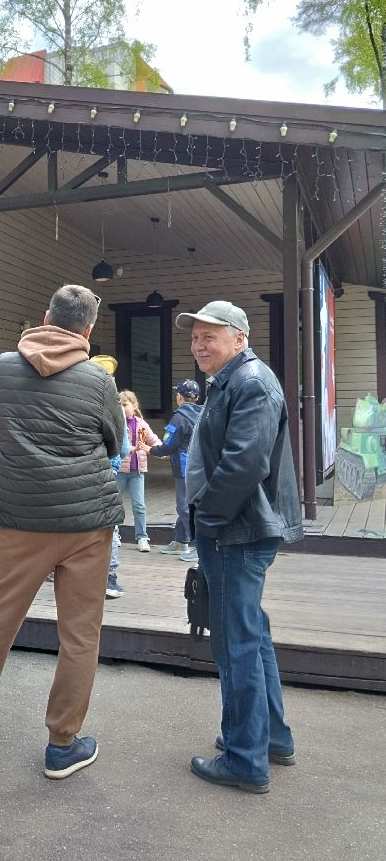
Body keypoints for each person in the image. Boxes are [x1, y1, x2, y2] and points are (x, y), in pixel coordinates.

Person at [0, 285, 124, 780]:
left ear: (46, 316)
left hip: (21, 516)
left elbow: (8, 421)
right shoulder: (97, 380)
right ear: (88, 329)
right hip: (87, 520)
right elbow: (115, 439)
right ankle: (62, 744)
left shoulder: (3, 367)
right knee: (80, 635)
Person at [176, 301, 303, 795]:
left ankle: (244, 758)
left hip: (235, 530)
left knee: (235, 643)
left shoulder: (250, 382)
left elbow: (244, 463)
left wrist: (206, 518)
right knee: (252, 633)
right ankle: (270, 738)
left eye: (211, 336)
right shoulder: (235, 379)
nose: (199, 345)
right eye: (194, 338)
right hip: (240, 528)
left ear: (240, 339)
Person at [145, 379, 203, 561]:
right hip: (201, 467)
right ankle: (180, 541)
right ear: (198, 398)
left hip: (185, 469)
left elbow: (167, 446)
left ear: (179, 397)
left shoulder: (179, 418)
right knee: (187, 505)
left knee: (185, 507)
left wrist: (149, 449)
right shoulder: (203, 414)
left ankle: (199, 547)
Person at [90, 355, 129, 599]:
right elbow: (124, 448)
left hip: (81, 471)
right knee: (109, 526)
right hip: (108, 471)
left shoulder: (77, 400)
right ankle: (109, 579)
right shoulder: (115, 405)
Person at [117, 390, 161, 552]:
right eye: (120, 405)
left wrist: (160, 449)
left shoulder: (141, 424)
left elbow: (154, 440)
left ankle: (142, 537)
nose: (123, 408)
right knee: (116, 503)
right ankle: (115, 534)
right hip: (120, 469)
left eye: (125, 404)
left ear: (135, 406)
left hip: (137, 471)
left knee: (139, 505)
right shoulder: (118, 424)